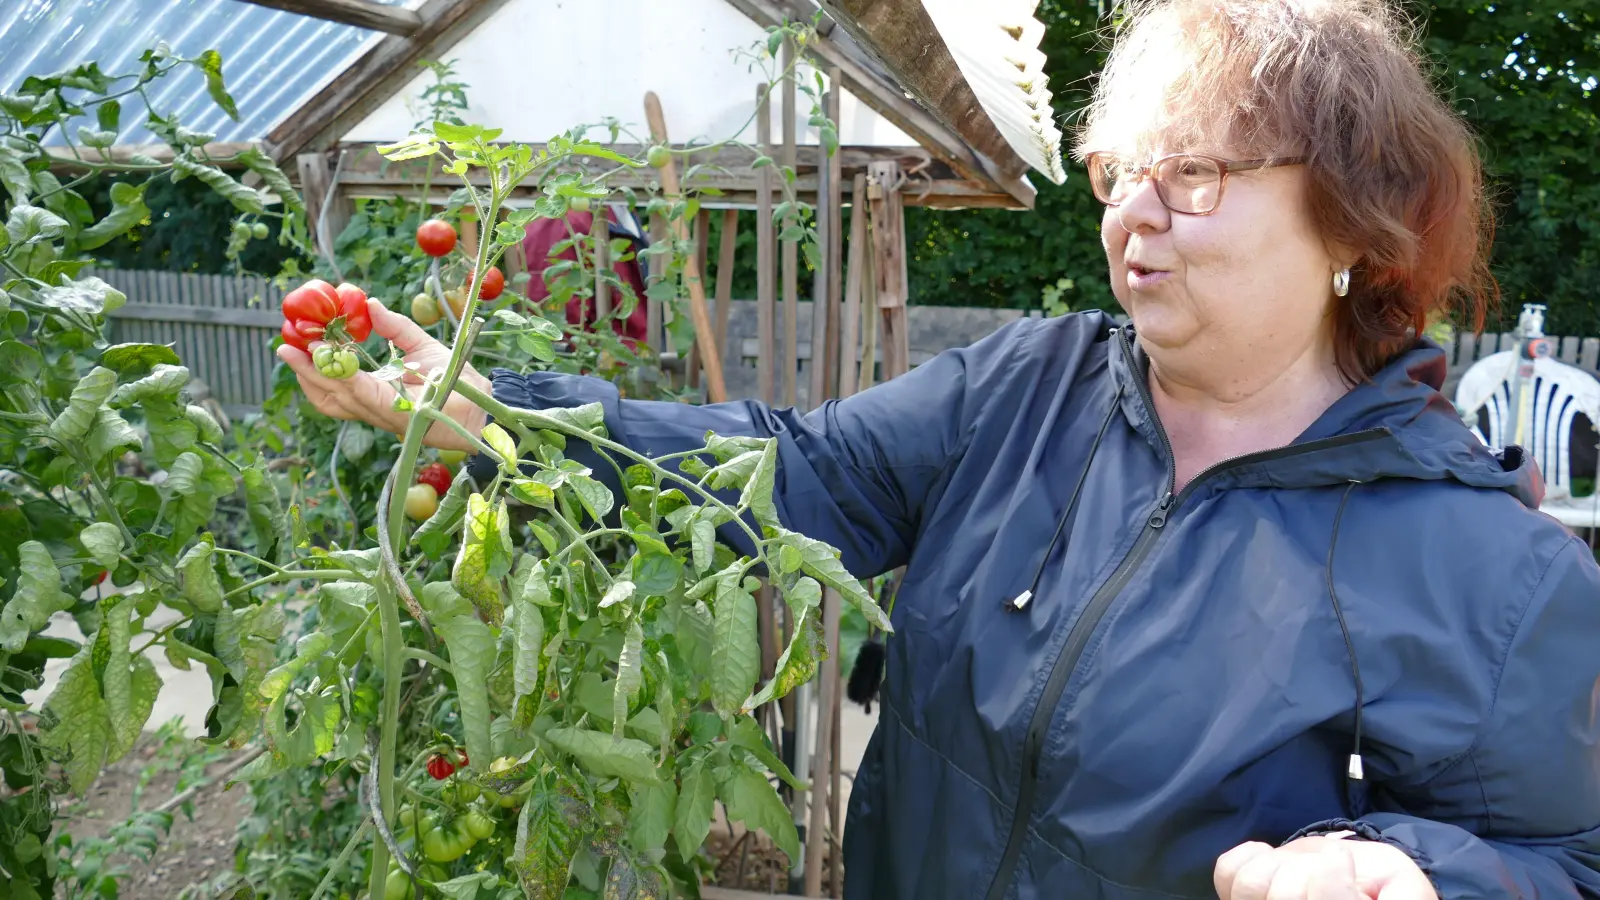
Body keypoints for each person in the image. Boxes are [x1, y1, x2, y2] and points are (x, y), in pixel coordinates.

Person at [276, 0, 1600, 896]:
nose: (1132, 218)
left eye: (1190, 172)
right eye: (1116, 172)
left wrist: (1416, 875)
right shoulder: (1028, 393)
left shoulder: (1494, 578)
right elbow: (788, 470)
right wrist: (494, 420)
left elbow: (1570, 861)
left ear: (1353, 223)